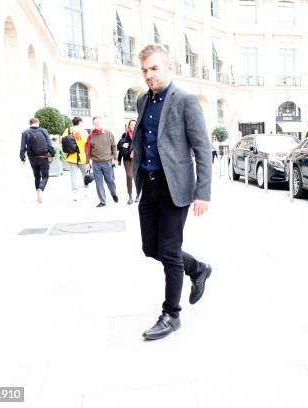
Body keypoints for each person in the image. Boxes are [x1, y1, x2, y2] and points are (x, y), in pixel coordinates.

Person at [132, 44, 213, 340]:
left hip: (174, 187)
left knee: (168, 251)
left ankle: (171, 314)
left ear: (168, 68)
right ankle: (198, 268)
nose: (149, 75)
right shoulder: (143, 100)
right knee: (151, 249)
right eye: (144, 70)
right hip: (149, 185)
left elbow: (202, 148)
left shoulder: (186, 101)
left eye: (154, 68)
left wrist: (202, 191)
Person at [19, 117, 55, 203]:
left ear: (30, 123)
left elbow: (22, 147)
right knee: (45, 176)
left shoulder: (25, 132)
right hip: (44, 157)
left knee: (37, 176)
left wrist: (22, 158)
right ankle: (41, 189)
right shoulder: (43, 131)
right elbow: (49, 144)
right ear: (38, 123)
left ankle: (37, 194)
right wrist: (53, 154)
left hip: (32, 158)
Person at [85, 116, 118, 207]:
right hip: (96, 163)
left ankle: (113, 193)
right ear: (93, 124)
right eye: (96, 123)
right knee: (98, 183)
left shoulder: (109, 133)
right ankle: (102, 201)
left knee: (110, 181)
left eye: (99, 122)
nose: (97, 124)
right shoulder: (91, 135)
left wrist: (115, 159)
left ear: (102, 123)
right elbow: (87, 150)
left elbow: (114, 146)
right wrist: (87, 163)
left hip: (108, 161)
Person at [62, 117, 89, 201]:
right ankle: (85, 191)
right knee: (85, 175)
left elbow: (62, 141)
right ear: (80, 122)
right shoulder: (83, 131)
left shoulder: (68, 130)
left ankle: (75, 194)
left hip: (71, 156)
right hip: (83, 157)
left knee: (73, 176)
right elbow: (88, 144)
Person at [117, 119, 140, 204]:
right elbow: (118, 145)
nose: (133, 126)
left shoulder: (139, 134)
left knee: (137, 176)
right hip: (127, 158)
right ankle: (130, 196)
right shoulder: (125, 134)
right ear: (129, 126)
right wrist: (123, 145)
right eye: (131, 125)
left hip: (137, 159)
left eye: (135, 124)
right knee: (129, 176)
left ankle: (137, 195)